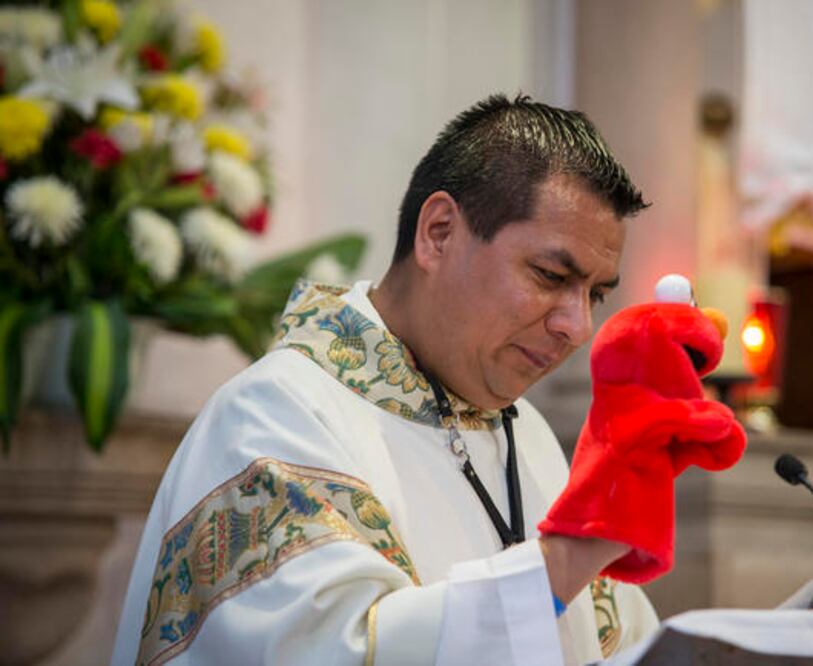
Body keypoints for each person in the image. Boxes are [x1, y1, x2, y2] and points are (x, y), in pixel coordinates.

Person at [113, 94, 661, 666]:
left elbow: (627, 646)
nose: (578, 327)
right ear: (439, 232)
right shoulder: (272, 417)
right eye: (550, 275)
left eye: (596, 295)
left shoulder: (528, 435)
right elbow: (326, 653)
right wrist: (567, 560)